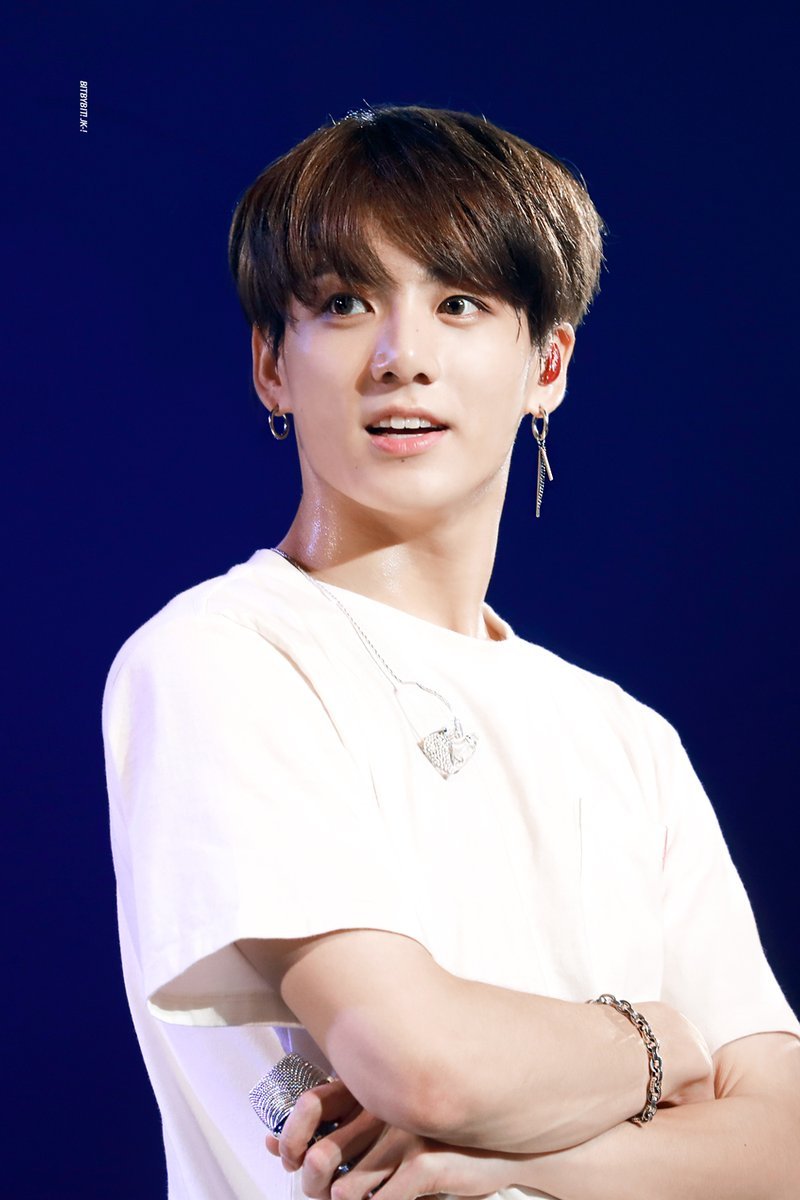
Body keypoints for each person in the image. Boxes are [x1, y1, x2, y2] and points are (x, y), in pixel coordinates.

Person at [102, 104, 800, 1200]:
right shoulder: (222, 657)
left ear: (547, 363)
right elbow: (422, 1066)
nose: (402, 357)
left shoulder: (625, 737)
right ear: (271, 364)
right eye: (344, 303)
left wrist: (535, 1154)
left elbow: (784, 1142)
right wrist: (658, 1039)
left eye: (460, 302)